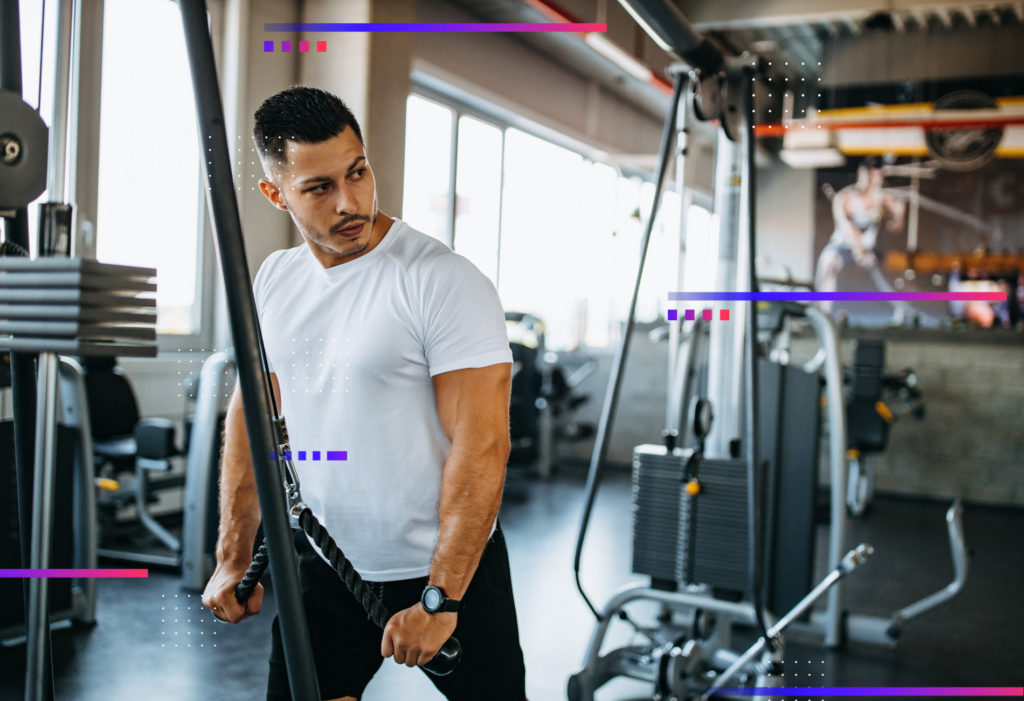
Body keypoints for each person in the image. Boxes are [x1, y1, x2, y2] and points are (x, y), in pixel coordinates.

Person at [200, 86, 527, 701]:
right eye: (319, 187)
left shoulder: (441, 281)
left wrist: (441, 596)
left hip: (450, 571)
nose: (350, 201)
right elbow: (252, 416)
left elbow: (481, 446)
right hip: (328, 564)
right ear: (276, 194)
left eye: (358, 171)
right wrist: (233, 550)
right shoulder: (274, 280)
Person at [815, 157, 907, 313]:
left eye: (876, 175)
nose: (872, 180)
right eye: (868, 175)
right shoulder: (845, 198)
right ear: (861, 174)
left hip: (870, 247)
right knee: (828, 262)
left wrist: (899, 214)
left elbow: (897, 224)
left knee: (895, 267)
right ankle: (823, 312)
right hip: (843, 245)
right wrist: (860, 251)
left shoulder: (884, 198)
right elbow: (849, 228)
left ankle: (901, 311)